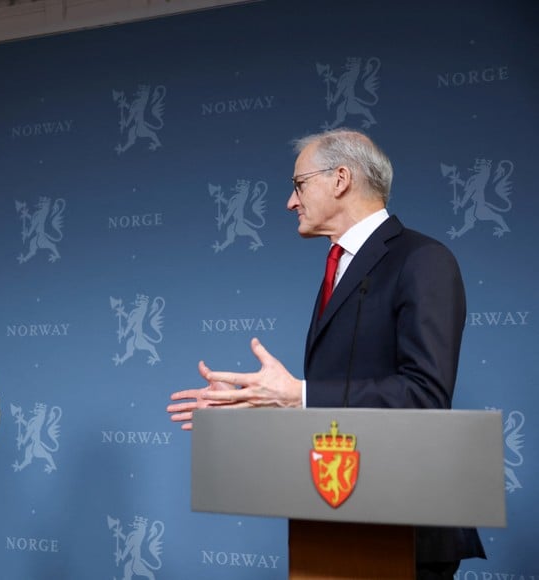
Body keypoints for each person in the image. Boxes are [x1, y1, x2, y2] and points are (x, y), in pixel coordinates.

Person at [167, 129, 485, 578]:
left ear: (340, 179)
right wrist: (256, 402)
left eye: (299, 185)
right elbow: (336, 400)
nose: (290, 202)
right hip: (334, 517)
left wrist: (298, 393)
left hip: (403, 526)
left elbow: (425, 395)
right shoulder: (339, 266)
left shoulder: (423, 259)